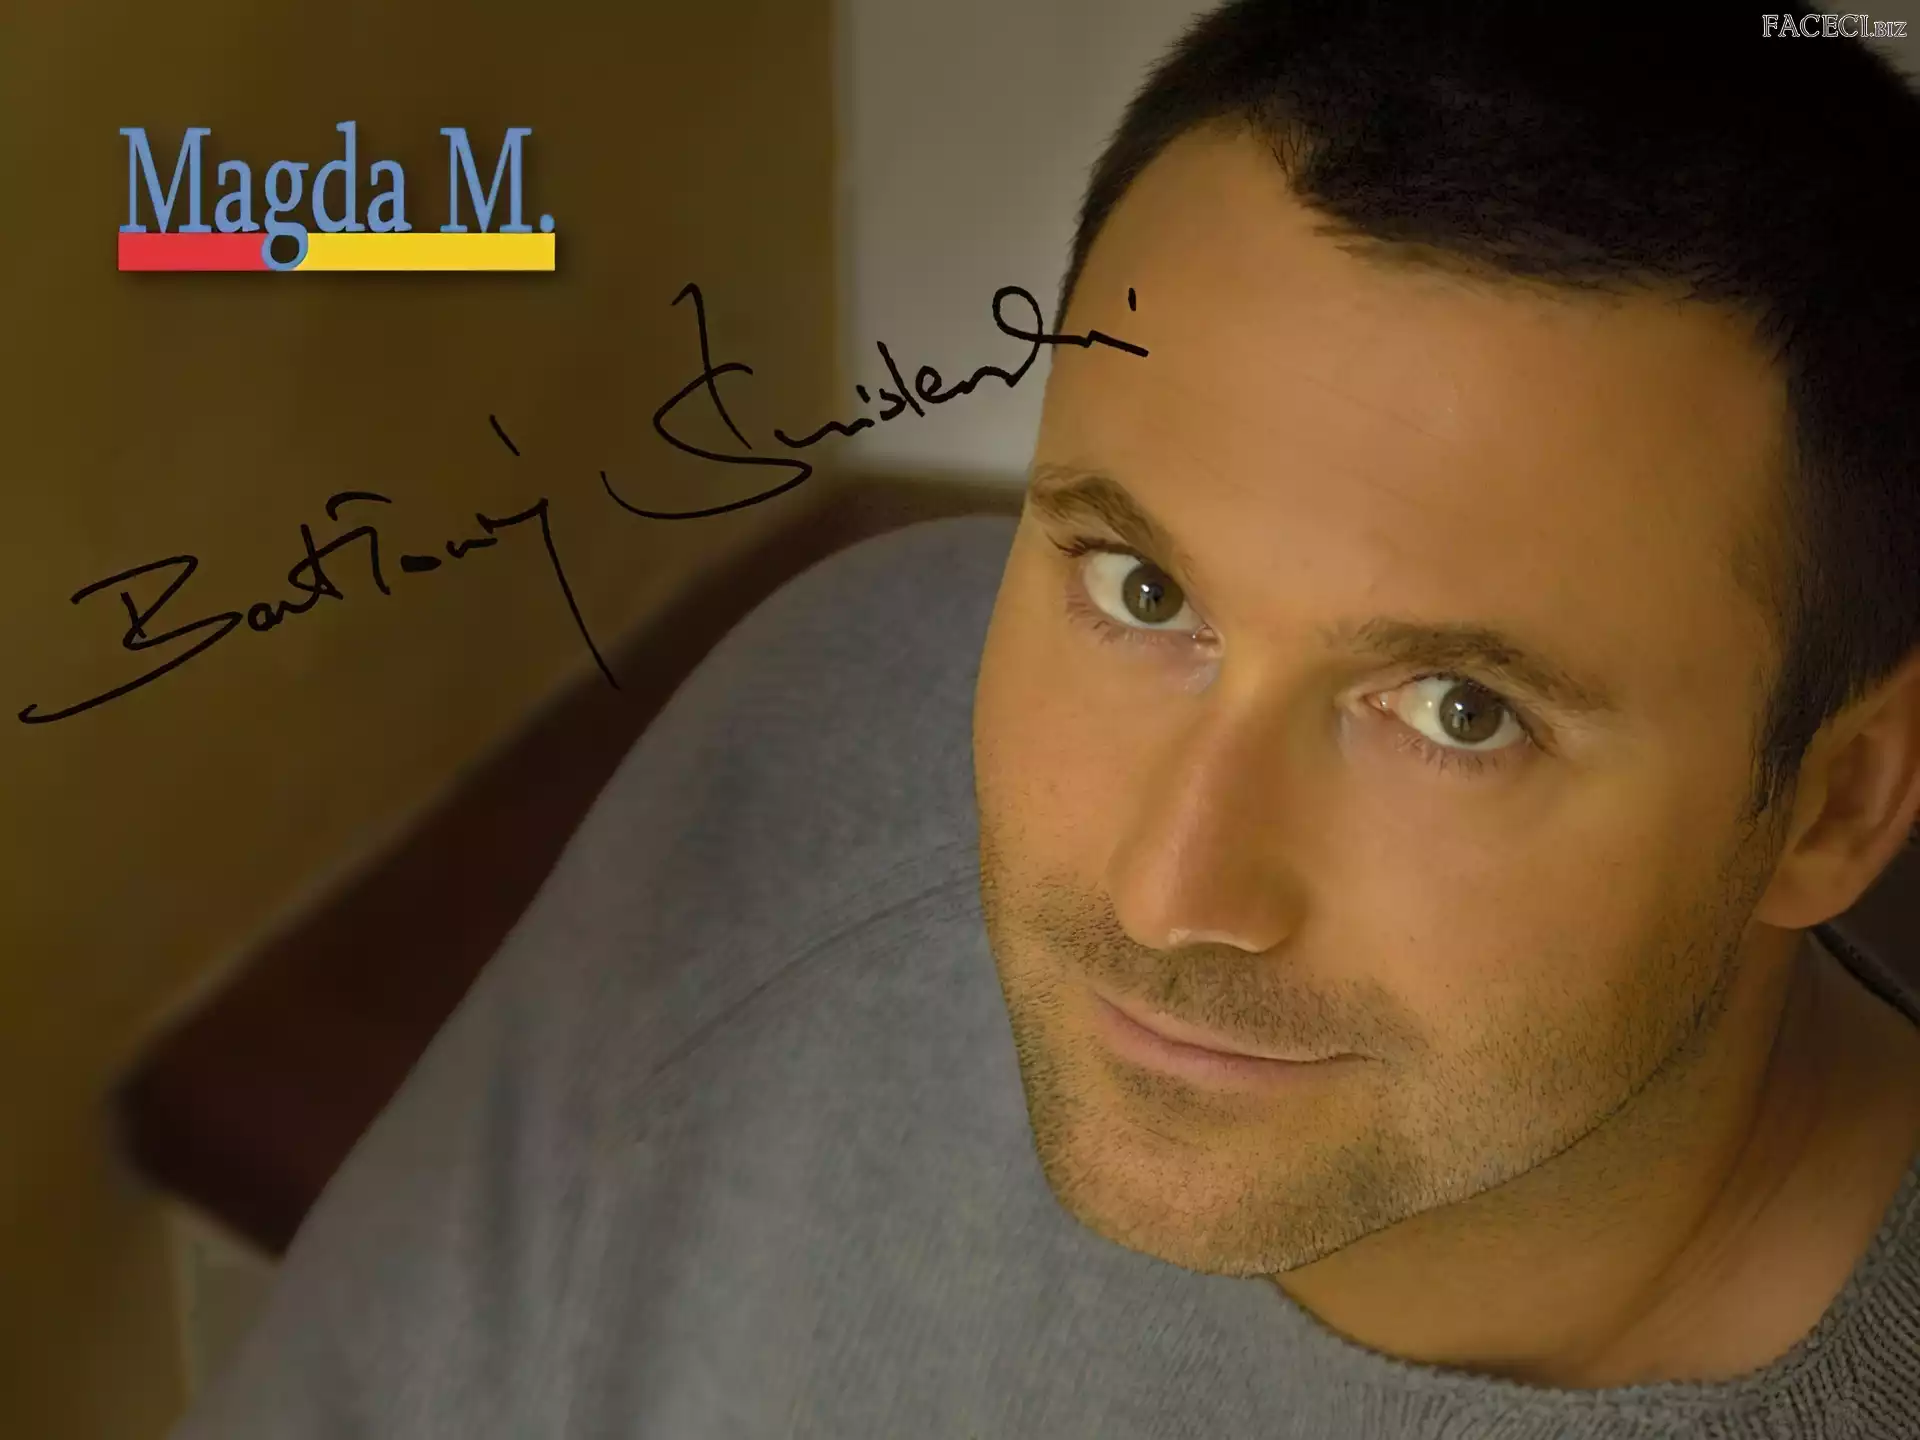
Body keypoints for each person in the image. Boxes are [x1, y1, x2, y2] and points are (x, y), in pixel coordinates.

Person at [173, 2, 1920, 1435]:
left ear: (1837, 801)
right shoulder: (845, 722)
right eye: (1143, 594)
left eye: (1459, 713)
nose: (1171, 892)